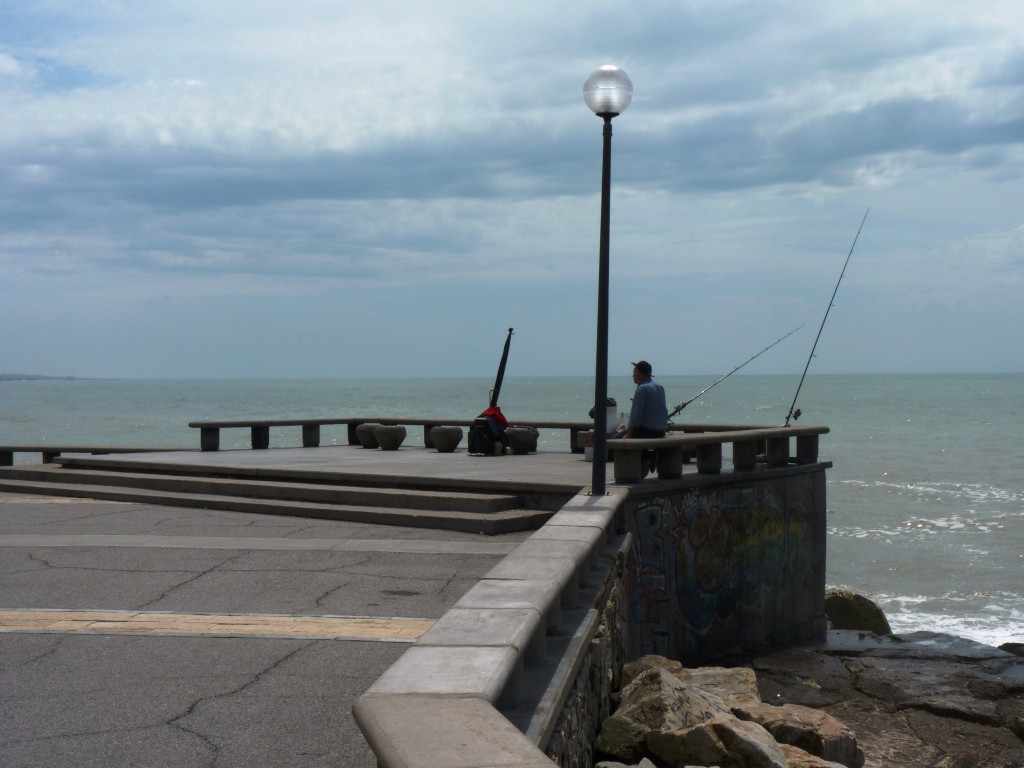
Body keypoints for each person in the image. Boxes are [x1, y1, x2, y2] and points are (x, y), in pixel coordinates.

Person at [624, 360, 669, 439]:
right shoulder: (659, 387)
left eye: (634, 372)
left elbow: (636, 417)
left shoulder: (642, 389)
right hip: (661, 431)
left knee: (613, 440)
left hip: (648, 431)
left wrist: (628, 435)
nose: (633, 375)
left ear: (638, 372)